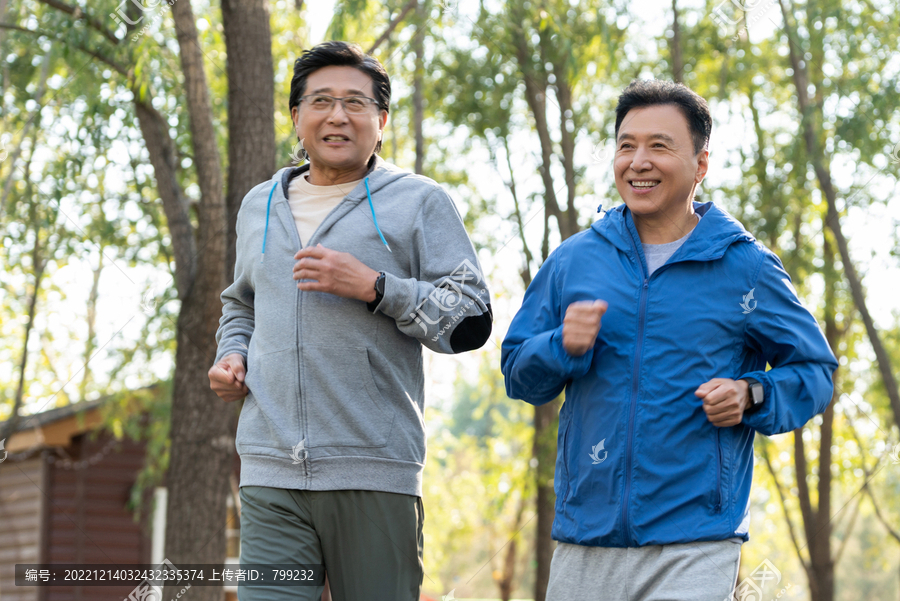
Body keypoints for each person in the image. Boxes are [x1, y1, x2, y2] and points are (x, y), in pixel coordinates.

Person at [501, 79, 837, 601]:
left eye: (659, 146)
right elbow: (518, 371)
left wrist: (753, 394)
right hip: (584, 536)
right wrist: (560, 346)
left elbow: (815, 371)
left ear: (701, 164)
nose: (638, 161)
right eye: (626, 145)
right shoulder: (574, 260)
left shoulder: (745, 266)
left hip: (696, 539)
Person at [209, 41, 492, 601]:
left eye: (356, 104)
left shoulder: (419, 202)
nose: (337, 116)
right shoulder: (258, 205)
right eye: (321, 101)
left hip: (374, 468)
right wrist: (231, 354)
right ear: (296, 117)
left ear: (381, 122)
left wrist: (376, 287)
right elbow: (241, 303)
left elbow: (471, 318)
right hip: (269, 468)